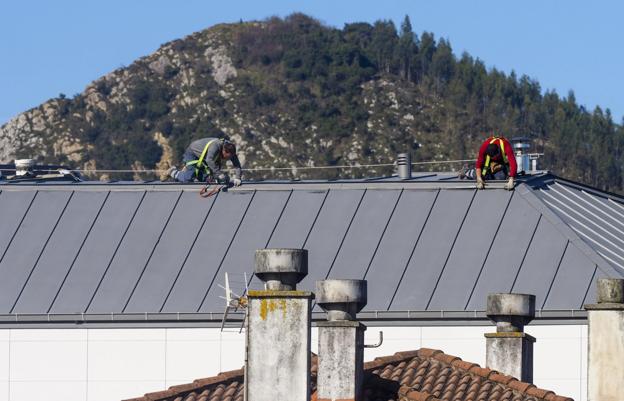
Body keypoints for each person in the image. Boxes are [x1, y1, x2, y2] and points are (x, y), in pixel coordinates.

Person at [168, 137, 242, 186]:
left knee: (207, 180)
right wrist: (219, 174)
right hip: (193, 153)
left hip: (204, 157)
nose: (227, 159)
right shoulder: (215, 146)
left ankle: (192, 173)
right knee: (188, 178)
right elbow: (209, 160)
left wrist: (238, 178)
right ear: (223, 151)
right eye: (227, 157)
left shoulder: (230, 149)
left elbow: (237, 165)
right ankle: (173, 172)